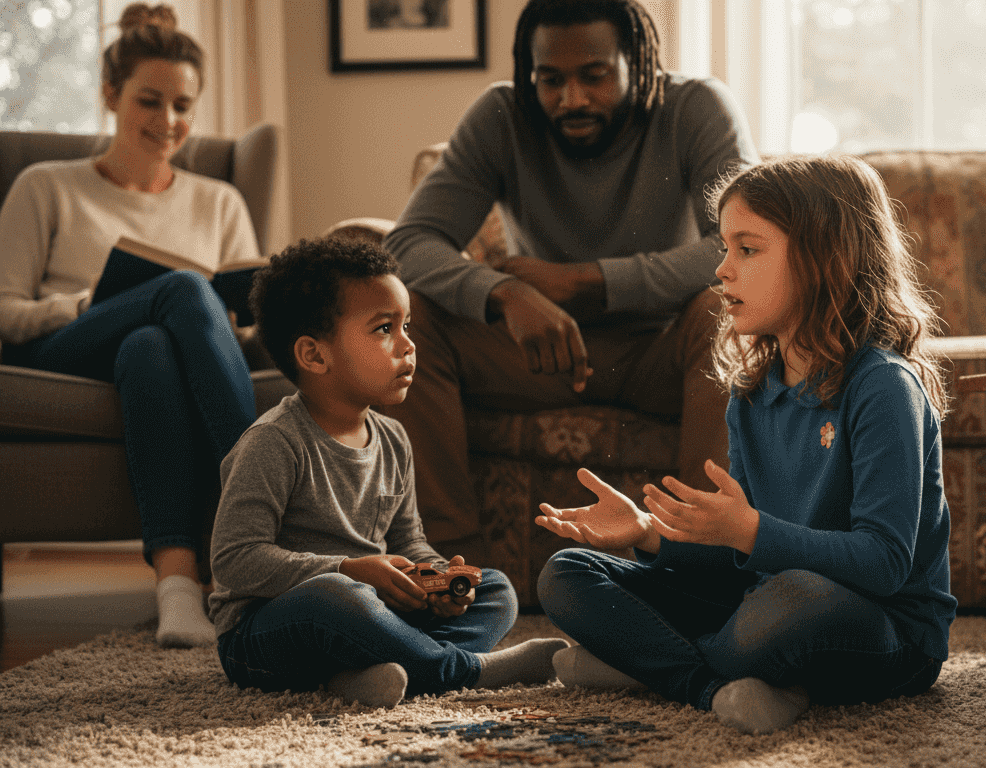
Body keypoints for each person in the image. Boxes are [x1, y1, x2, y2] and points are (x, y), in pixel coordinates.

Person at [533, 155, 958, 734]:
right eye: (724, 249)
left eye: (748, 249)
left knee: (792, 601)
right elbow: (742, 563)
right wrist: (647, 533)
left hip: (882, 632)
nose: (722, 271)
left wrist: (751, 533)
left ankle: (651, 664)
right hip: (766, 606)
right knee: (567, 573)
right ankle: (712, 685)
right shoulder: (752, 396)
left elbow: (883, 565)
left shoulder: (883, 386)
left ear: (824, 259)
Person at [380, 0, 759, 559]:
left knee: (720, 312)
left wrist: (586, 281)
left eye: (594, 75)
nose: (571, 98)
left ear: (639, 63)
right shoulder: (502, 116)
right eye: (550, 79)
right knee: (413, 316)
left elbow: (743, 244)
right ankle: (442, 566)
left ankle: (701, 560)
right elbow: (407, 243)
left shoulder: (696, 106)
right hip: (539, 353)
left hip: (661, 350)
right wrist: (502, 293)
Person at [208, 238, 568, 708]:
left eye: (407, 325)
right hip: (266, 632)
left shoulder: (394, 438)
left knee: (495, 590)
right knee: (337, 597)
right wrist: (348, 569)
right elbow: (235, 559)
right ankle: (462, 671)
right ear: (315, 356)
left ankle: (360, 675)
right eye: (384, 329)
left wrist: (438, 577)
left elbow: (408, 541)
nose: (409, 345)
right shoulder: (273, 442)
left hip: (372, 610)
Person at [0, 3, 260, 648]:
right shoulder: (45, 185)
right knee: (178, 287)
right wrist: (90, 305)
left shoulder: (220, 201)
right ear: (111, 94)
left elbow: (245, 329)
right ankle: (267, 503)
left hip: (155, 357)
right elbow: (4, 312)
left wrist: (237, 323)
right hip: (62, 349)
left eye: (183, 106)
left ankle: (178, 594)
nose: (168, 121)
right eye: (149, 100)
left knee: (150, 345)